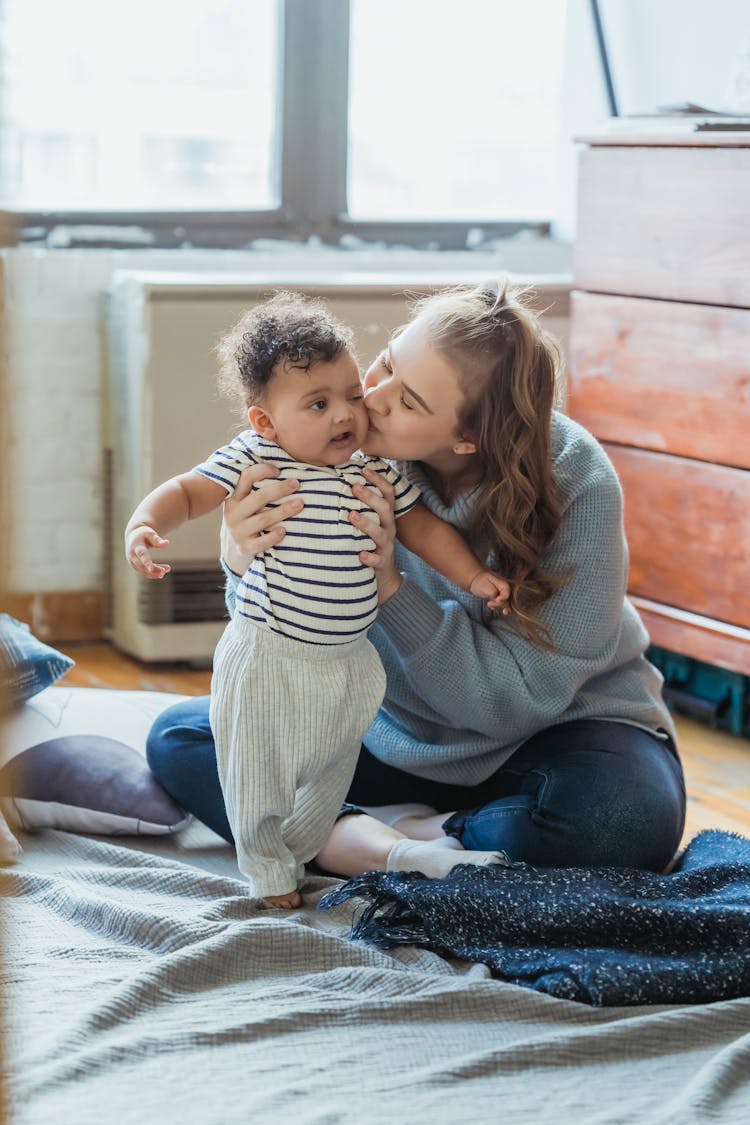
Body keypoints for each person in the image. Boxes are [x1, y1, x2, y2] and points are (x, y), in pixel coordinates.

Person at [146, 280, 686, 896]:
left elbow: (512, 703)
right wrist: (240, 561)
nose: (365, 401)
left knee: (621, 826)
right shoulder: (324, 448)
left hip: (552, 736)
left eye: (405, 402)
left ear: (466, 439)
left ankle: (376, 839)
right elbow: (281, 636)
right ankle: (398, 847)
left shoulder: (578, 483)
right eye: (384, 364)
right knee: (181, 737)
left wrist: (392, 589)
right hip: (383, 730)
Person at [126, 292, 509, 908]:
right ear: (265, 422)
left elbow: (425, 531)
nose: (346, 416)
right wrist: (144, 524)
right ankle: (269, 867)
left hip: (349, 663)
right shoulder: (257, 458)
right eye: (319, 403)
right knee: (255, 768)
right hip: (269, 655)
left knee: (328, 769)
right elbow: (188, 491)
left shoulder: (372, 471)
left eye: (351, 395)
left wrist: (473, 577)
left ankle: (313, 840)